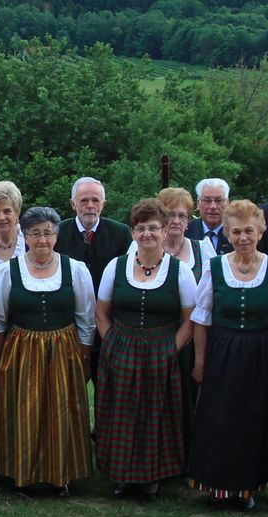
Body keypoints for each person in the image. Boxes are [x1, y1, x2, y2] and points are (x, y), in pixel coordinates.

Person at [187, 200, 268, 512]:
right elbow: (202, 319)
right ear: (227, 234)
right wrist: (201, 361)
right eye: (236, 231)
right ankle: (218, 487)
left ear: (260, 231)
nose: (243, 237)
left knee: (254, 420)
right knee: (220, 420)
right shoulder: (214, 267)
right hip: (223, 353)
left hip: (261, 354)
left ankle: (248, 487)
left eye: (249, 230)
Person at [95, 198, 197, 501]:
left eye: (154, 228)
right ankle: (123, 475)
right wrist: (111, 343)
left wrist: (169, 351)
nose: (147, 234)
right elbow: (101, 312)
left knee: (156, 415)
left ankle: (151, 477)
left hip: (161, 349)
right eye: (141, 228)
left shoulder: (181, 272)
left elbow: (191, 320)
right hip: (122, 348)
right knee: (121, 414)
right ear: (132, 232)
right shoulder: (116, 266)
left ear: (165, 231)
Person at [0, 207, 95, 496]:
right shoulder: (6, 272)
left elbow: (86, 317)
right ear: (24, 236)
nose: (42, 240)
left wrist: (84, 356)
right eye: (35, 234)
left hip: (63, 348)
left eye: (47, 233)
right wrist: (0, 360)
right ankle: (25, 475)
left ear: (56, 236)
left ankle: (59, 475)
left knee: (61, 410)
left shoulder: (75, 269)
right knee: (25, 411)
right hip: (22, 349)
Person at [155, 187, 214, 462]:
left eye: (182, 215)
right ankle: (160, 454)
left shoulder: (202, 248)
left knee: (189, 398)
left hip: (193, 339)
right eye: (169, 215)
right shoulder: (144, 246)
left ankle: (188, 455)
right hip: (157, 335)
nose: (176, 221)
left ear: (189, 219)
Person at [54, 177, 131, 291]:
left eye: (95, 200)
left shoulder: (121, 233)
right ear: (73, 204)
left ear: (103, 204)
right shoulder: (56, 233)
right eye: (84, 200)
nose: (90, 206)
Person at [186, 178, 233, 255]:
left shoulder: (236, 232)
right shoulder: (186, 231)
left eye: (218, 200)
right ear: (198, 203)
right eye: (207, 201)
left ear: (227, 203)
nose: (213, 206)